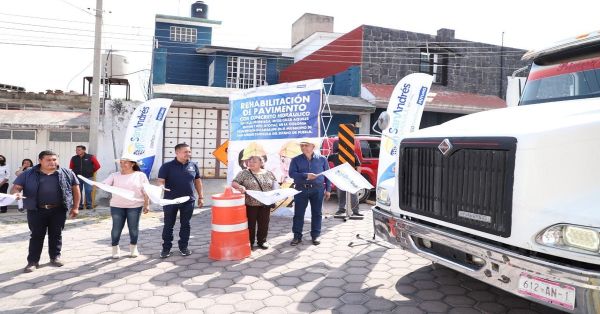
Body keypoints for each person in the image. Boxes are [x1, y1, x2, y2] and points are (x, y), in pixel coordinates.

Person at [11, 150, 80, 273]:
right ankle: (32, 262)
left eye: (54, 159)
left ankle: (55, 257)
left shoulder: (67, 173)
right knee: (36, 236)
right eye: (48, 160)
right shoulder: (28, 173)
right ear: (40, 161)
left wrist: (75, 207)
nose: (52, 162)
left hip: (58, 209)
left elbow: (76, 189)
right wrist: (15, 193)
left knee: (56, 234)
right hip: (36, 210)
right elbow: (16, 187)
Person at [157, 143, 204, 258]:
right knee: (168, 225)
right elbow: (160, 180)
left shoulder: (193, 165)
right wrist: (161, 186)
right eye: (185, 152)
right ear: (177, 153)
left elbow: (197, 181)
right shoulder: (167, 166)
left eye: (189, 151)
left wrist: (201, 197)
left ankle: (183, 247)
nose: (188, 154)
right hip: (170, 201)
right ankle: (166, 249)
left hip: (188, 201)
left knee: (186, 224)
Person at [102, 157, 150, 259]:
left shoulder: (140, 175)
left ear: (132, 164)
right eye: (121, 162)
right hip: (117, 205)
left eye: (125, 163)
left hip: (135, 206)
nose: (122, 165)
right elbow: (105, 185)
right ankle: (115, 248)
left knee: (133, 228)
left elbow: (146, 191)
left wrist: (147, 204)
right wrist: (100, 185)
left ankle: (133, 248)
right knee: (116, 228)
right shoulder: (114, 175)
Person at [288, 140, 331, 246]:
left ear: (313, 147)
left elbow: (328, 175)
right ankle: (297, 237)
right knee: (299, 214)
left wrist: (328, 190)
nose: (303, 147)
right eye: (302, 145)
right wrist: (306, 175)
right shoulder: (295, 160)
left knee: (317, 213)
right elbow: (291, 174)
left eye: (306, 145)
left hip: (318, 189)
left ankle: (316, 236)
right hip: (301, 189)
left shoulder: (322, 159)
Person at [232, 154, 278, 250]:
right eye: (250, 161)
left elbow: (275, 185)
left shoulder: (269, 173)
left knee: (264, 223)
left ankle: (262, 241)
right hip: (250, 204)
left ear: (261, 163)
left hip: (265, 204)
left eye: (254, 161)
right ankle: (249, 242)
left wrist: (275, 195)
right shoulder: (244, 173)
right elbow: (234, 182)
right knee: (250, 224)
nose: (251, 163)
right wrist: (240, 187)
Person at [328, 141, 363, 217]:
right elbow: (325, 160)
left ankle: (355, 211)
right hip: (340, 178)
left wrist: (357, 177)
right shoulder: (334, 156)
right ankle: (341, 209)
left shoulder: (352, 155)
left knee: (353, 194)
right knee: (341, 194)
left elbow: (359, 166)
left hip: (351, 178)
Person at [69, 145, 101, 209]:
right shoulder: (74, 158)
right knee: (78, 191)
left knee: (88, 190)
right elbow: (71, 166)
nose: (77, 151)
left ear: (84, 150)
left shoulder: (91, 157)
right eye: (76, 150)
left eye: (79, 150)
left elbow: (97, 166)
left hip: (88, 177)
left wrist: (91, 171)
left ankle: (89, 205)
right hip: (77, 177)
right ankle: (79, 205)